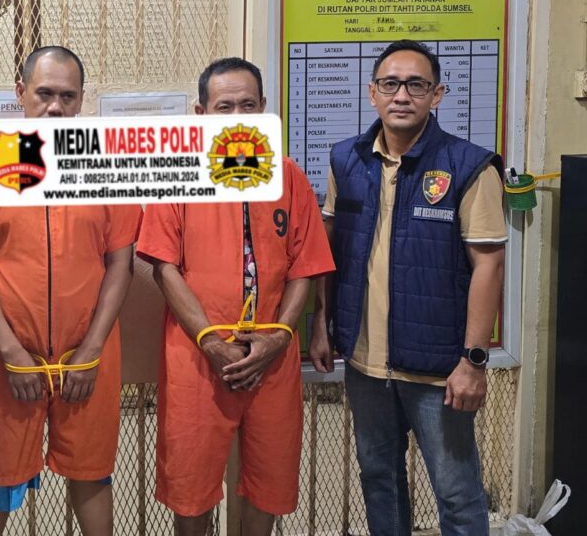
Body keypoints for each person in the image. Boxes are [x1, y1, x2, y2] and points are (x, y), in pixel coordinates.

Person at [0, 46, 141, 536]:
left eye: (68, 96)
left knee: (92, 473)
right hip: (2, 358)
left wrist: (91, 350)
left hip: (88, 356)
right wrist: (11, 351)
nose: (55, 107)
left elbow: (121, 264)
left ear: (82, 100)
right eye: (44, 93)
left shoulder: (105, 166)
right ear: (20, 92)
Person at [309, 39, 506, 536]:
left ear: (436, 94)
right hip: (365, 364)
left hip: (439, 371)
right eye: (391, 84)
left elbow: (489, 265)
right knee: (379, 480)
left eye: (416, 85)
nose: (402, 95)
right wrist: (320, 323)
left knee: (457, 495)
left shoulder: (469, 166)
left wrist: (473, 361)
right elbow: (330, 250)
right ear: (372, 91)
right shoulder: (346, 159)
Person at [137, 57, 335, 536]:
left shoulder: (289, 176)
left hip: (274, 355)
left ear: (263, 108)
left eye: (248, 105)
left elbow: (304, 266)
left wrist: (281, 337)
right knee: (191, 485)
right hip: (197, 356)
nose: (237, 115)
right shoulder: (177, 175)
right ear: (201, 113)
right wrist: (209, 340)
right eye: (224, 106)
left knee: (270, 479)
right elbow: (164, 268)